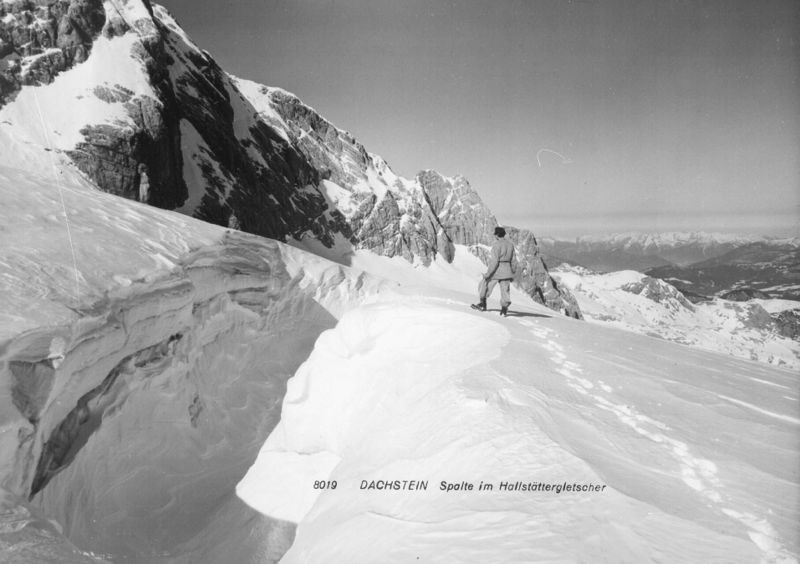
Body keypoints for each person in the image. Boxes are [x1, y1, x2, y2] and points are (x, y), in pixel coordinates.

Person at [472, 226, 518, 316]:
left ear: (497, 235)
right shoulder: (510, 245)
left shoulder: (496, 245)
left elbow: (494, 262)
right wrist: (512, 272)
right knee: (505, 290)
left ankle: (482, 304)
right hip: (507, 270)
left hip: (497, 271)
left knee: (485, 284)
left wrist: (488, 274)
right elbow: (514, 261)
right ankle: (504, 309)